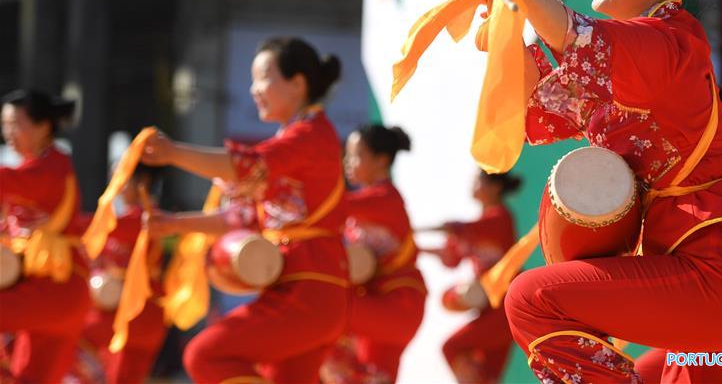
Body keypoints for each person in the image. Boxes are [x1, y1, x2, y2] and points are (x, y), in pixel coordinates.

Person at [455, 0, 722, 383]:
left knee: (533, 299)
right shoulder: (629, 66)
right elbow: (533, 111)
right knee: (654, 373)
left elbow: (578, 38)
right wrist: (506, 9)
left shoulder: (670, 42)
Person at [141, 37, 349, 383]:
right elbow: (245, 217)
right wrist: (176, 223)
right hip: (308, 292)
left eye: (263, 77)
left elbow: (250, 166)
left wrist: (174, 153)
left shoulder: (310, 135)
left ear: (298, 83)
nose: (254, 89)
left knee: (205, 355)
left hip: (308, 292)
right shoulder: (298, 139)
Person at [320, 124, 426, 384]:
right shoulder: (365, 202)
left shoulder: (384, 199)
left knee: (321, 311)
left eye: (356, 155)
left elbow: (331, 207)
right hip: (377, 304)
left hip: (397, 304)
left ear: (382, 160)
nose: (347, 162)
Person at [0, 89, 91, 382]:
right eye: (5, 125)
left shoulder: (52, 167)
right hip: (46, 298)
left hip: (54, 291)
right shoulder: (31, 171)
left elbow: (8, 182)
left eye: (16, 124)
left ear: (43, 127)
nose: (8, 133)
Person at [80, 163, 168, 383]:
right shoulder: (133, 218)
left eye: (121, 178)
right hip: (130, 318)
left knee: (66, 329)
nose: (116, 185)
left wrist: (58, 222)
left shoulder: (148, 218)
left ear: (143, 182)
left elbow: (94, 228)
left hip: (133, 317)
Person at [431, 171, 518, 384]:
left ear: (495, 187)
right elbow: (450, 257)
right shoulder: (478, 226)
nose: (473, 184)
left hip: (505, 310)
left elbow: (473, 230)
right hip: (490, 312)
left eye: (478, 180)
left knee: (452, 347)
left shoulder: (500, 218)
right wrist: (414, 249)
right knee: (488, 377)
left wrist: (455, 227)